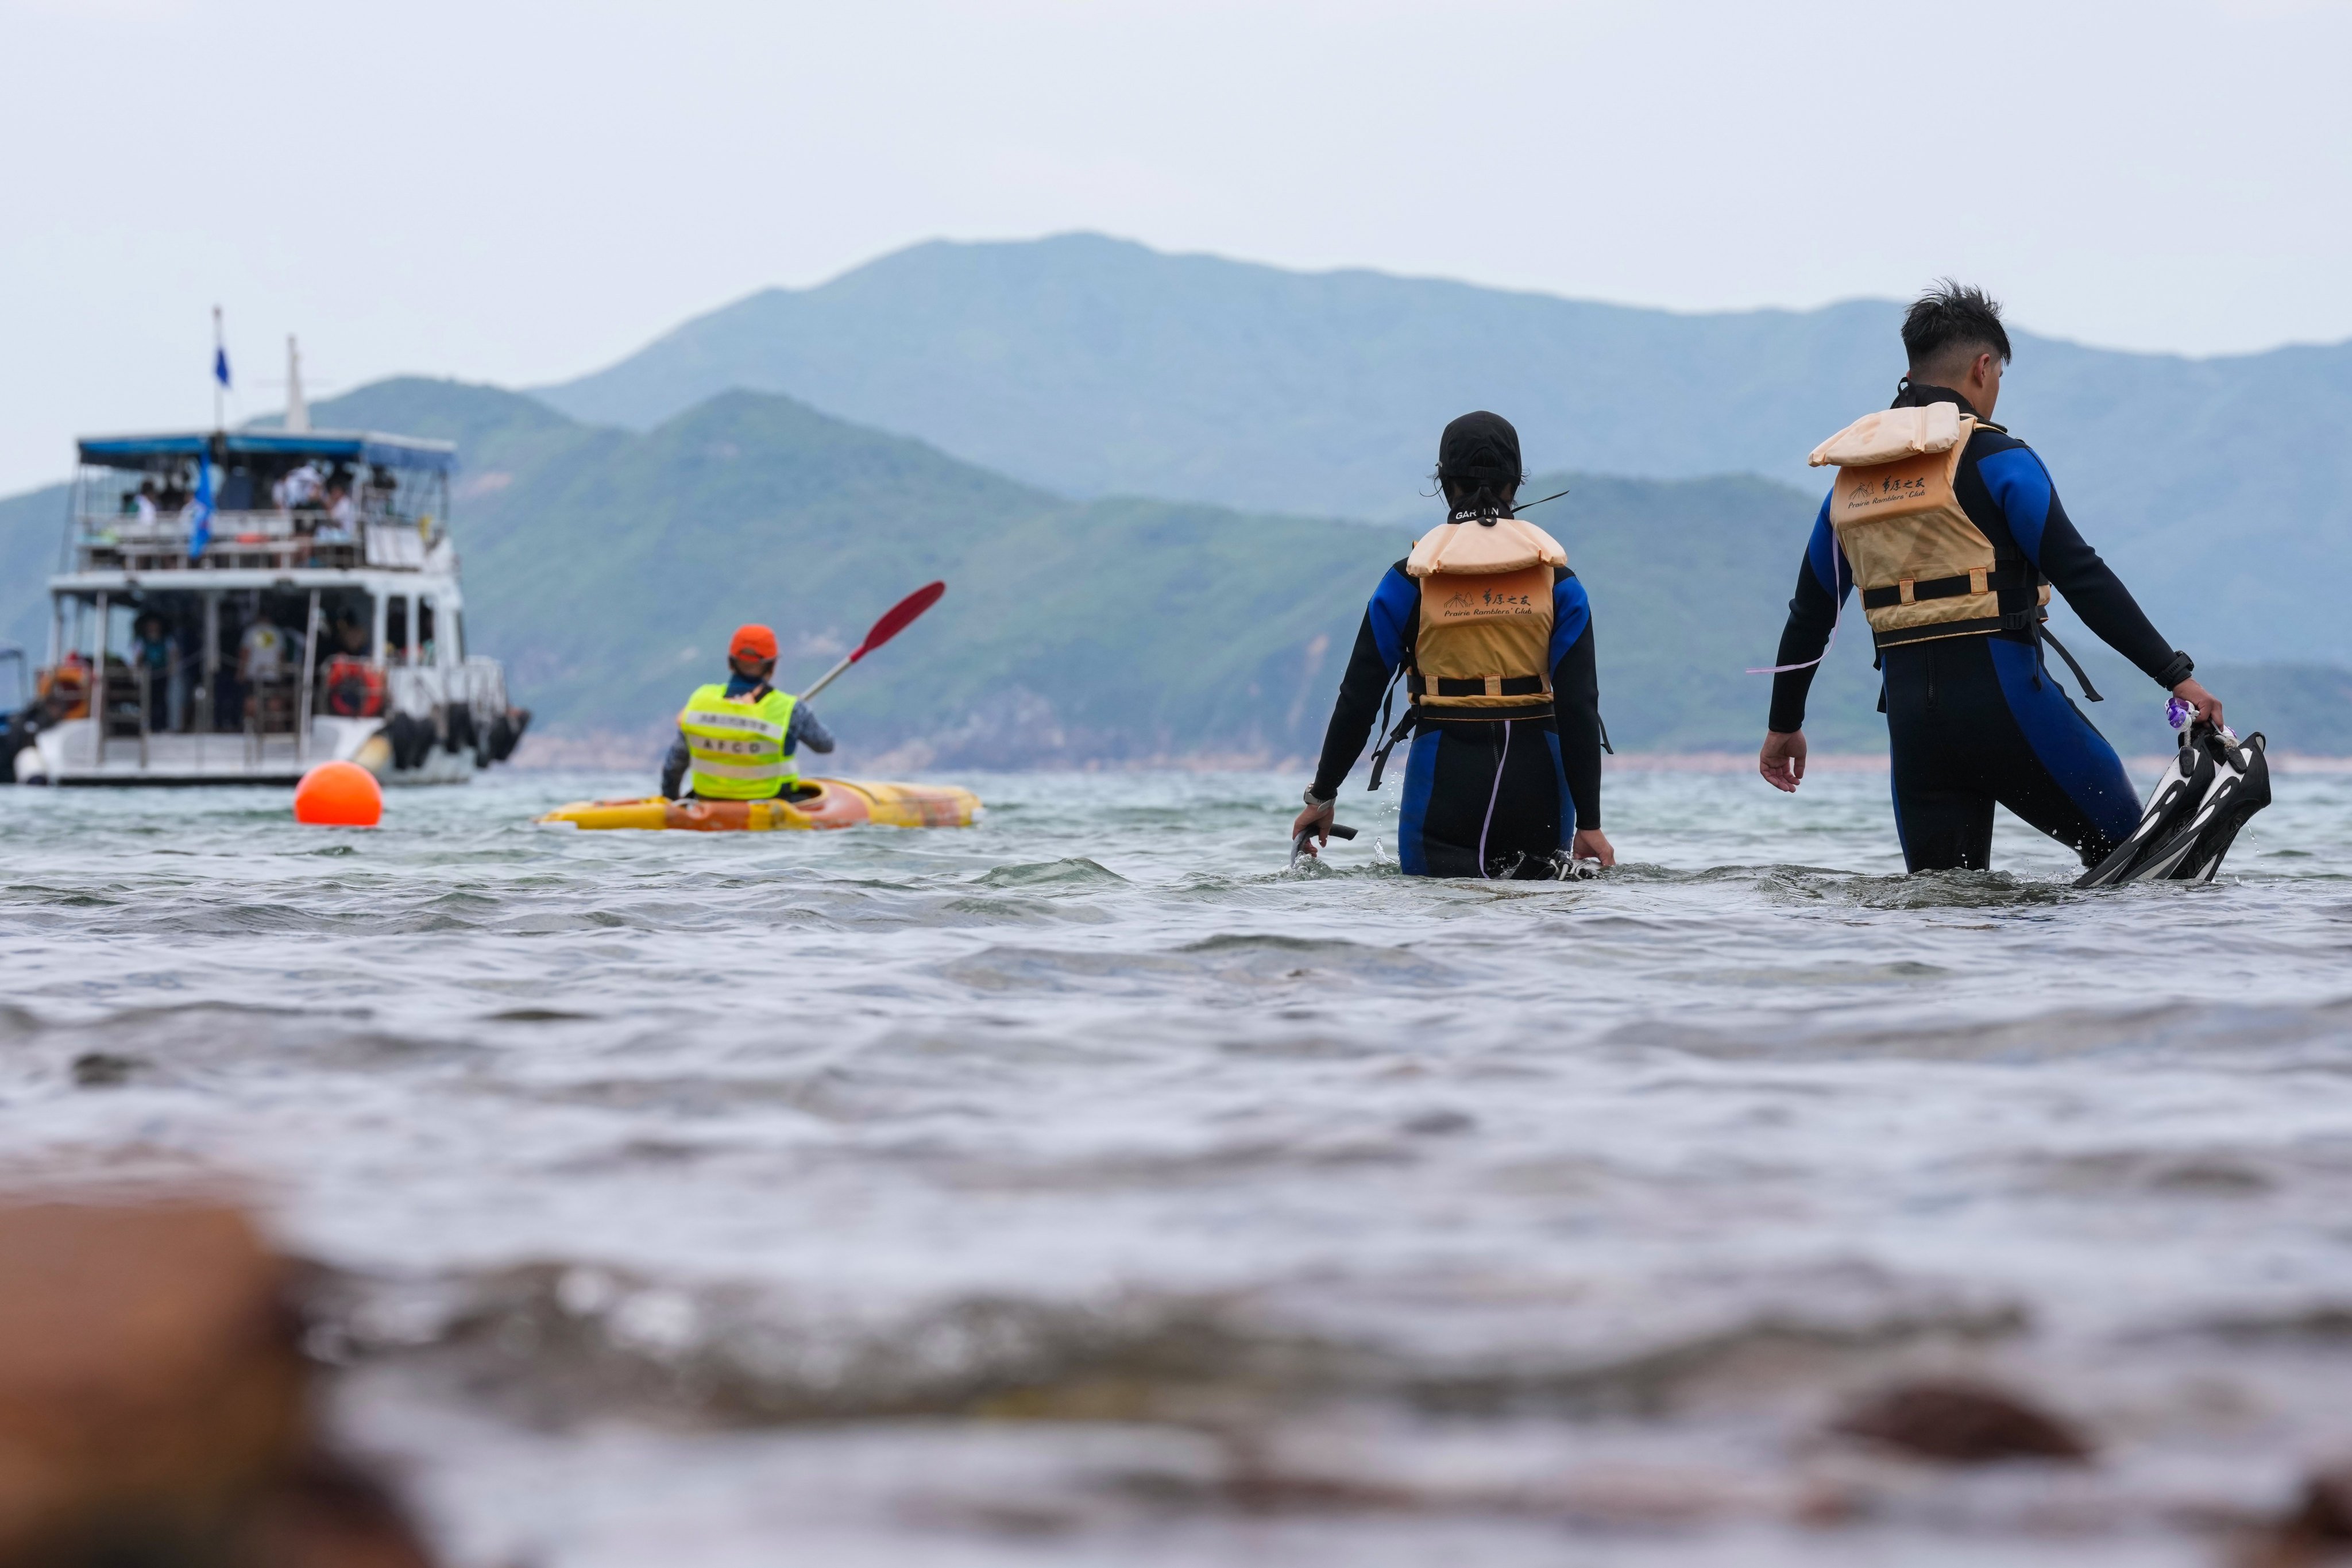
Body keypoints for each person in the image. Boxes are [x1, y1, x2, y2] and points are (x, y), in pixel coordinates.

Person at [1758, 282, 2224, 872]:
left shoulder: (1848, 489)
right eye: (1999, 375)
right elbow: (2082, 576)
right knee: (2141, 865)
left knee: (1944, 916)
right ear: (1983, 368)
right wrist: (2177, 676)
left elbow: (1810, 615)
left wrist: (1784, 725)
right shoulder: (2000, 460)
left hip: (1914, 731)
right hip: (2007, 707)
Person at [1294, 411, 1615, 878]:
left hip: (1444, 772)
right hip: (1539, 776)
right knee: (1538, 933)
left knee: (1438, 929)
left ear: (1444, 482)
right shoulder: (1559, 583)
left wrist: (1322, 795)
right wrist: (1590, 822)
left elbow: (1358, 696)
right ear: (1515, 484)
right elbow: (1580, 705)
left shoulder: (1409, 581)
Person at [659, 624, 835, 801]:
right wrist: (803, 712)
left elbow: (674, 765)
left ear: (730, 663)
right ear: (772, 666)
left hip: (708, 800)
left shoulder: (700, 701)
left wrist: (671, 801)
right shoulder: (791, 709)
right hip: (772, 804)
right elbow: (825, 745)